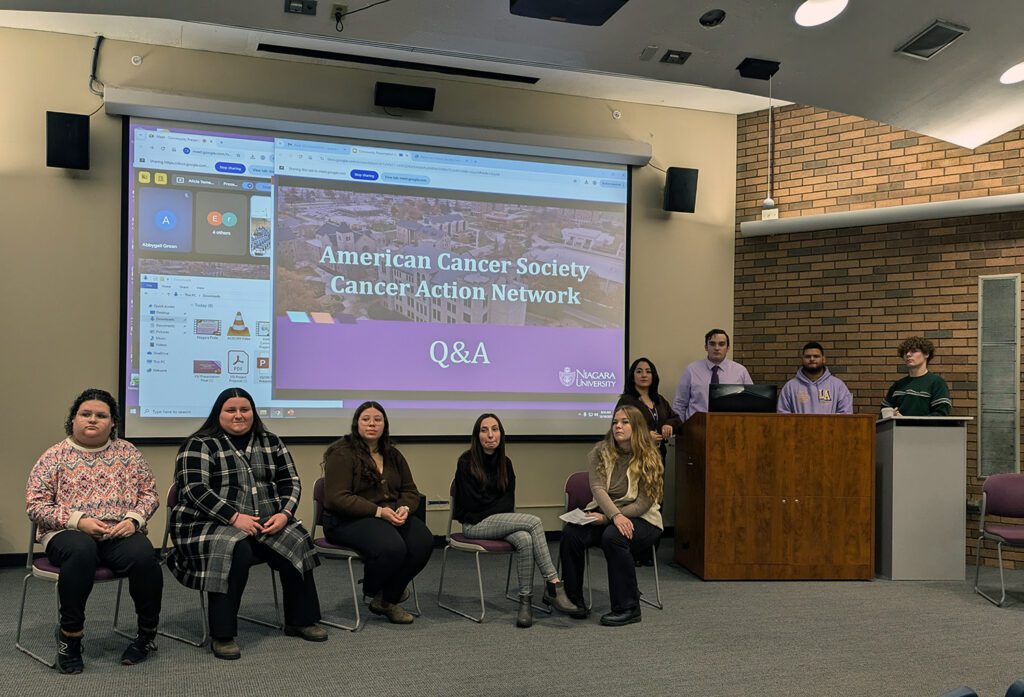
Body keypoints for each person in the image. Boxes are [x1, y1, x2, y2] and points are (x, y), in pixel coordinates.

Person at [167, 388, 325, 660]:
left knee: (296, 538)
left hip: (265, 520)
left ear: (253, 412)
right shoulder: (200, 444)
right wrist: (233, 517)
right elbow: (195, 489)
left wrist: (284, 514)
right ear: (219, 413)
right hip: (206, 524)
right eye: (231, 410)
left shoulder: (271, 441)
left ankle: (300, 620)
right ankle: (223, 634)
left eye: (245, 409)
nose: (238, 415)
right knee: (235, 550)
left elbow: (292, 482)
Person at [25, 388, 162, 674]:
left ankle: (146, 635)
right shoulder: (54, 456)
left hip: (117, 532)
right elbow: (35, 505)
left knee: (144, 554)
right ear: (73, 419)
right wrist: (78, 521)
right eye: (85, 414)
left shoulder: (128, 453)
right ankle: (70, 639)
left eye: (101, 415)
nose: (92, 420)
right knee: (82, 549)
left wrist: (134, 519)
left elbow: (149, 494)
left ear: (112, 422)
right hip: (66, 533)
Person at [453, 413, 579, 628]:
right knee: (534, 522)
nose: (490, 435)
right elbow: (471, 505)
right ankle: (553, 583)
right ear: (477, 435)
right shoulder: (466, 462)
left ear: (501, 434)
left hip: (501, 522)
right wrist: (495, 509)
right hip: (474, 525)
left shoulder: (506, 464)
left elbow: (507, 504)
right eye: (484, 430)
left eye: (495, 429)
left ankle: (525, 602)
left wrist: (494, 508)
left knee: (524, 539)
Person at [322, 401, 433, 624]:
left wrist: (404, 508)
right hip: (346, 521)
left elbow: (410, 490)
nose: (372, 424)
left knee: (423, 541)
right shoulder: (341, 453)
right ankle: (376, 590)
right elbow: (337, 498)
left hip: (389, 517)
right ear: (357, 423)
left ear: (385, 425)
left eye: (377, 419)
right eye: (366, 419)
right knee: (393, 547)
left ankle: (385, 599)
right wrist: (379, 512)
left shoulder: (393, 454)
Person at [559, 405, 663, 627]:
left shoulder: (649, 455)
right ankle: (573, 599)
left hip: (644, 519)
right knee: (572, 533)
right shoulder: (600, 452)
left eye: (625, 422)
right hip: (610, 513)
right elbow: (598, 489)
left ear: (636, 427)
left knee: (613, 537)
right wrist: (612, 516)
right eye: (615, 422)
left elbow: (644, 502)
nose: (618, 426)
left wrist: (609, 518)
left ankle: (628, 607)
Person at [672, 328, 753, 420]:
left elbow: (750, 403)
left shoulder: (740, 371)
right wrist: (680, 428)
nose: (717, 348)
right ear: (706, 347)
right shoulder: (691, 370)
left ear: (728, 348)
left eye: (721, 344)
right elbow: (680, 403)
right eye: (712, 344)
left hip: (730, 426)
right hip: (697, 427)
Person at [616, 357, 683, 459]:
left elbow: (677, 419)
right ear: (632, 377)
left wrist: (669, 425)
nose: (644, 375)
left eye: (648, 372)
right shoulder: (626, 401)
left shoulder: (659, 400)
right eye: (639, 372)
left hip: (658, 454)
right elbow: (620, 430)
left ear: (653, 376)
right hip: (635, 455)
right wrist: (645, 437)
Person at [881, 336, 952, 416]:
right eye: (905, 352)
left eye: (914, 351)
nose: (908, 354)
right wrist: (890, 415)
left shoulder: (937, 383)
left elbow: (941, 414)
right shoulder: (898, 385)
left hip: (925, 429)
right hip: (896, 428)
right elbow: (883, 412)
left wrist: (906, 421)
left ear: (926, 354)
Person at [777, 342, 854, 414]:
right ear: (802, 360)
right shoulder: (790, 387)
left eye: (816, 356)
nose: (812, 359)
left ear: (823, 359)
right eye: (808, 356)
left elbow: (846, 415)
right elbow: (783, 416)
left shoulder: (838, 386)